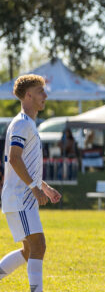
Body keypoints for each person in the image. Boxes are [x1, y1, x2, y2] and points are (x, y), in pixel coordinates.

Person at [0, 74, 62, 292]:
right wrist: (34, 189)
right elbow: (15, 159)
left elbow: (22, 163)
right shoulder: (22, 124)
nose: (45, 96)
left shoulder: (27, 124)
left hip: (21, 197)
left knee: (29, 251)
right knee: (38, 246)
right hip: (21, 198)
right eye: (40, 91)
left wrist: (43, 186)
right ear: (28, 95)